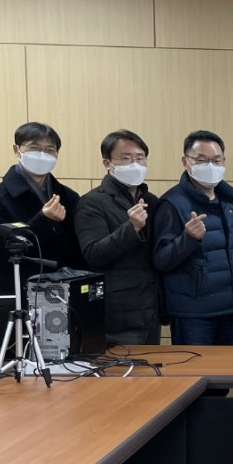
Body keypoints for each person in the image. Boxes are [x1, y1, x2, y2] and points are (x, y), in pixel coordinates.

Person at [152, 130, 233, 346]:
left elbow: (232, 258)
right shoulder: (172, 203)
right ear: (186, 162)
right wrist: (189, 239)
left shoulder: (227, 202)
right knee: (195, 368)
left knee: (226, 367)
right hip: (193, 314)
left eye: (216, 160)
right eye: (201, 160)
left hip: (229, 310)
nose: (210, 166)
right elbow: (160, 260)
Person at [73, 130, 162, 345]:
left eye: (140, 158)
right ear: (107, 163)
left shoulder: (151, 200)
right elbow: (93, 254)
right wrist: (131, 228)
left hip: (151, 309)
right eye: (126, 158)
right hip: (118, 312)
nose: (135, 164)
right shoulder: (92, 202)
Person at [0, 121, 83, 295]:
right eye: (34, 148)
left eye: (49, 150)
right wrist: (43, 220)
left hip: (62, 291)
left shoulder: (69, 197)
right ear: (16, 150)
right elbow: (1, 253)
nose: (42, 155)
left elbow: (77, 250)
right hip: (18, 290)